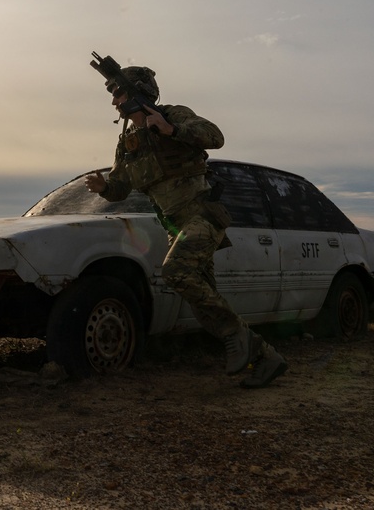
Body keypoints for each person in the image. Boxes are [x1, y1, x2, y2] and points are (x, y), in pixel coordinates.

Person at [85, 64, 288, 389]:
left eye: (118, 93)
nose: (114, 102)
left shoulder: (173, 115)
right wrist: (105, 187)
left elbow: (215, 136)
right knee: (205, 306)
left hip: (202, 216)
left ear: (138, 92)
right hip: (175, 227)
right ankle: (267, 359)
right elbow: (121, 186)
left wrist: (171, 130)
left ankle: (242, 341)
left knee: (176, 272)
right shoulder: (128, 143)